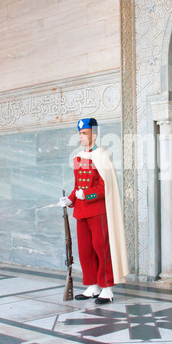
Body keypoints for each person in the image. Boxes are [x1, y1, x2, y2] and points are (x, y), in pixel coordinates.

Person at [60, 118, 129, 304]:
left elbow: (104, 187)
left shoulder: (102, 156)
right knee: (85, 251)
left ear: (94, 135)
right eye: (80, 133)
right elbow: (78, 186)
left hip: (97, 211)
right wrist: (71, 199)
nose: (81, 136)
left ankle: (106, 287)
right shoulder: (78, 158)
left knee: (101, 248)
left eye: (84, 133)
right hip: (81, 212)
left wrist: (87, 195)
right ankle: (92, 286)